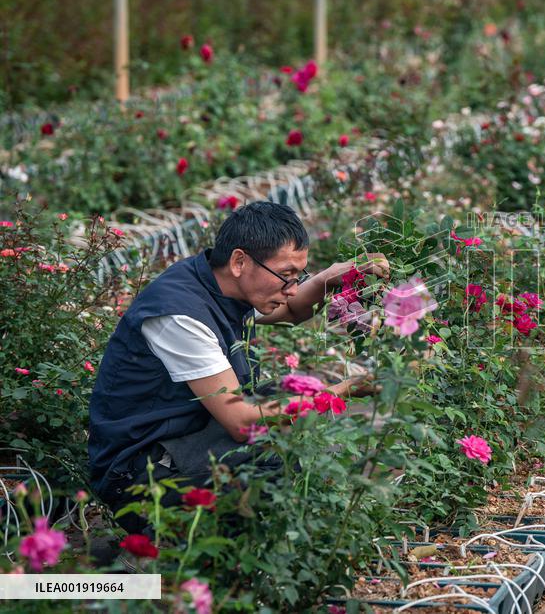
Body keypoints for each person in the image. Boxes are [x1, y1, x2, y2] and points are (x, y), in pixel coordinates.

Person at [88, 202, 389, 531]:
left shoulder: (220, 284)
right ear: (239, 261)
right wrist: (340, 390)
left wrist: (331, 277)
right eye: (285, 276)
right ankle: (176, 551)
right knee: (283, 457)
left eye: (297, 276)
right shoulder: (180, 315)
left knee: (289, 400)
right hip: (139, 477)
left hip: (187, 436)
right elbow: (242, 424)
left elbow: (291, 310)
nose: (291, 289)